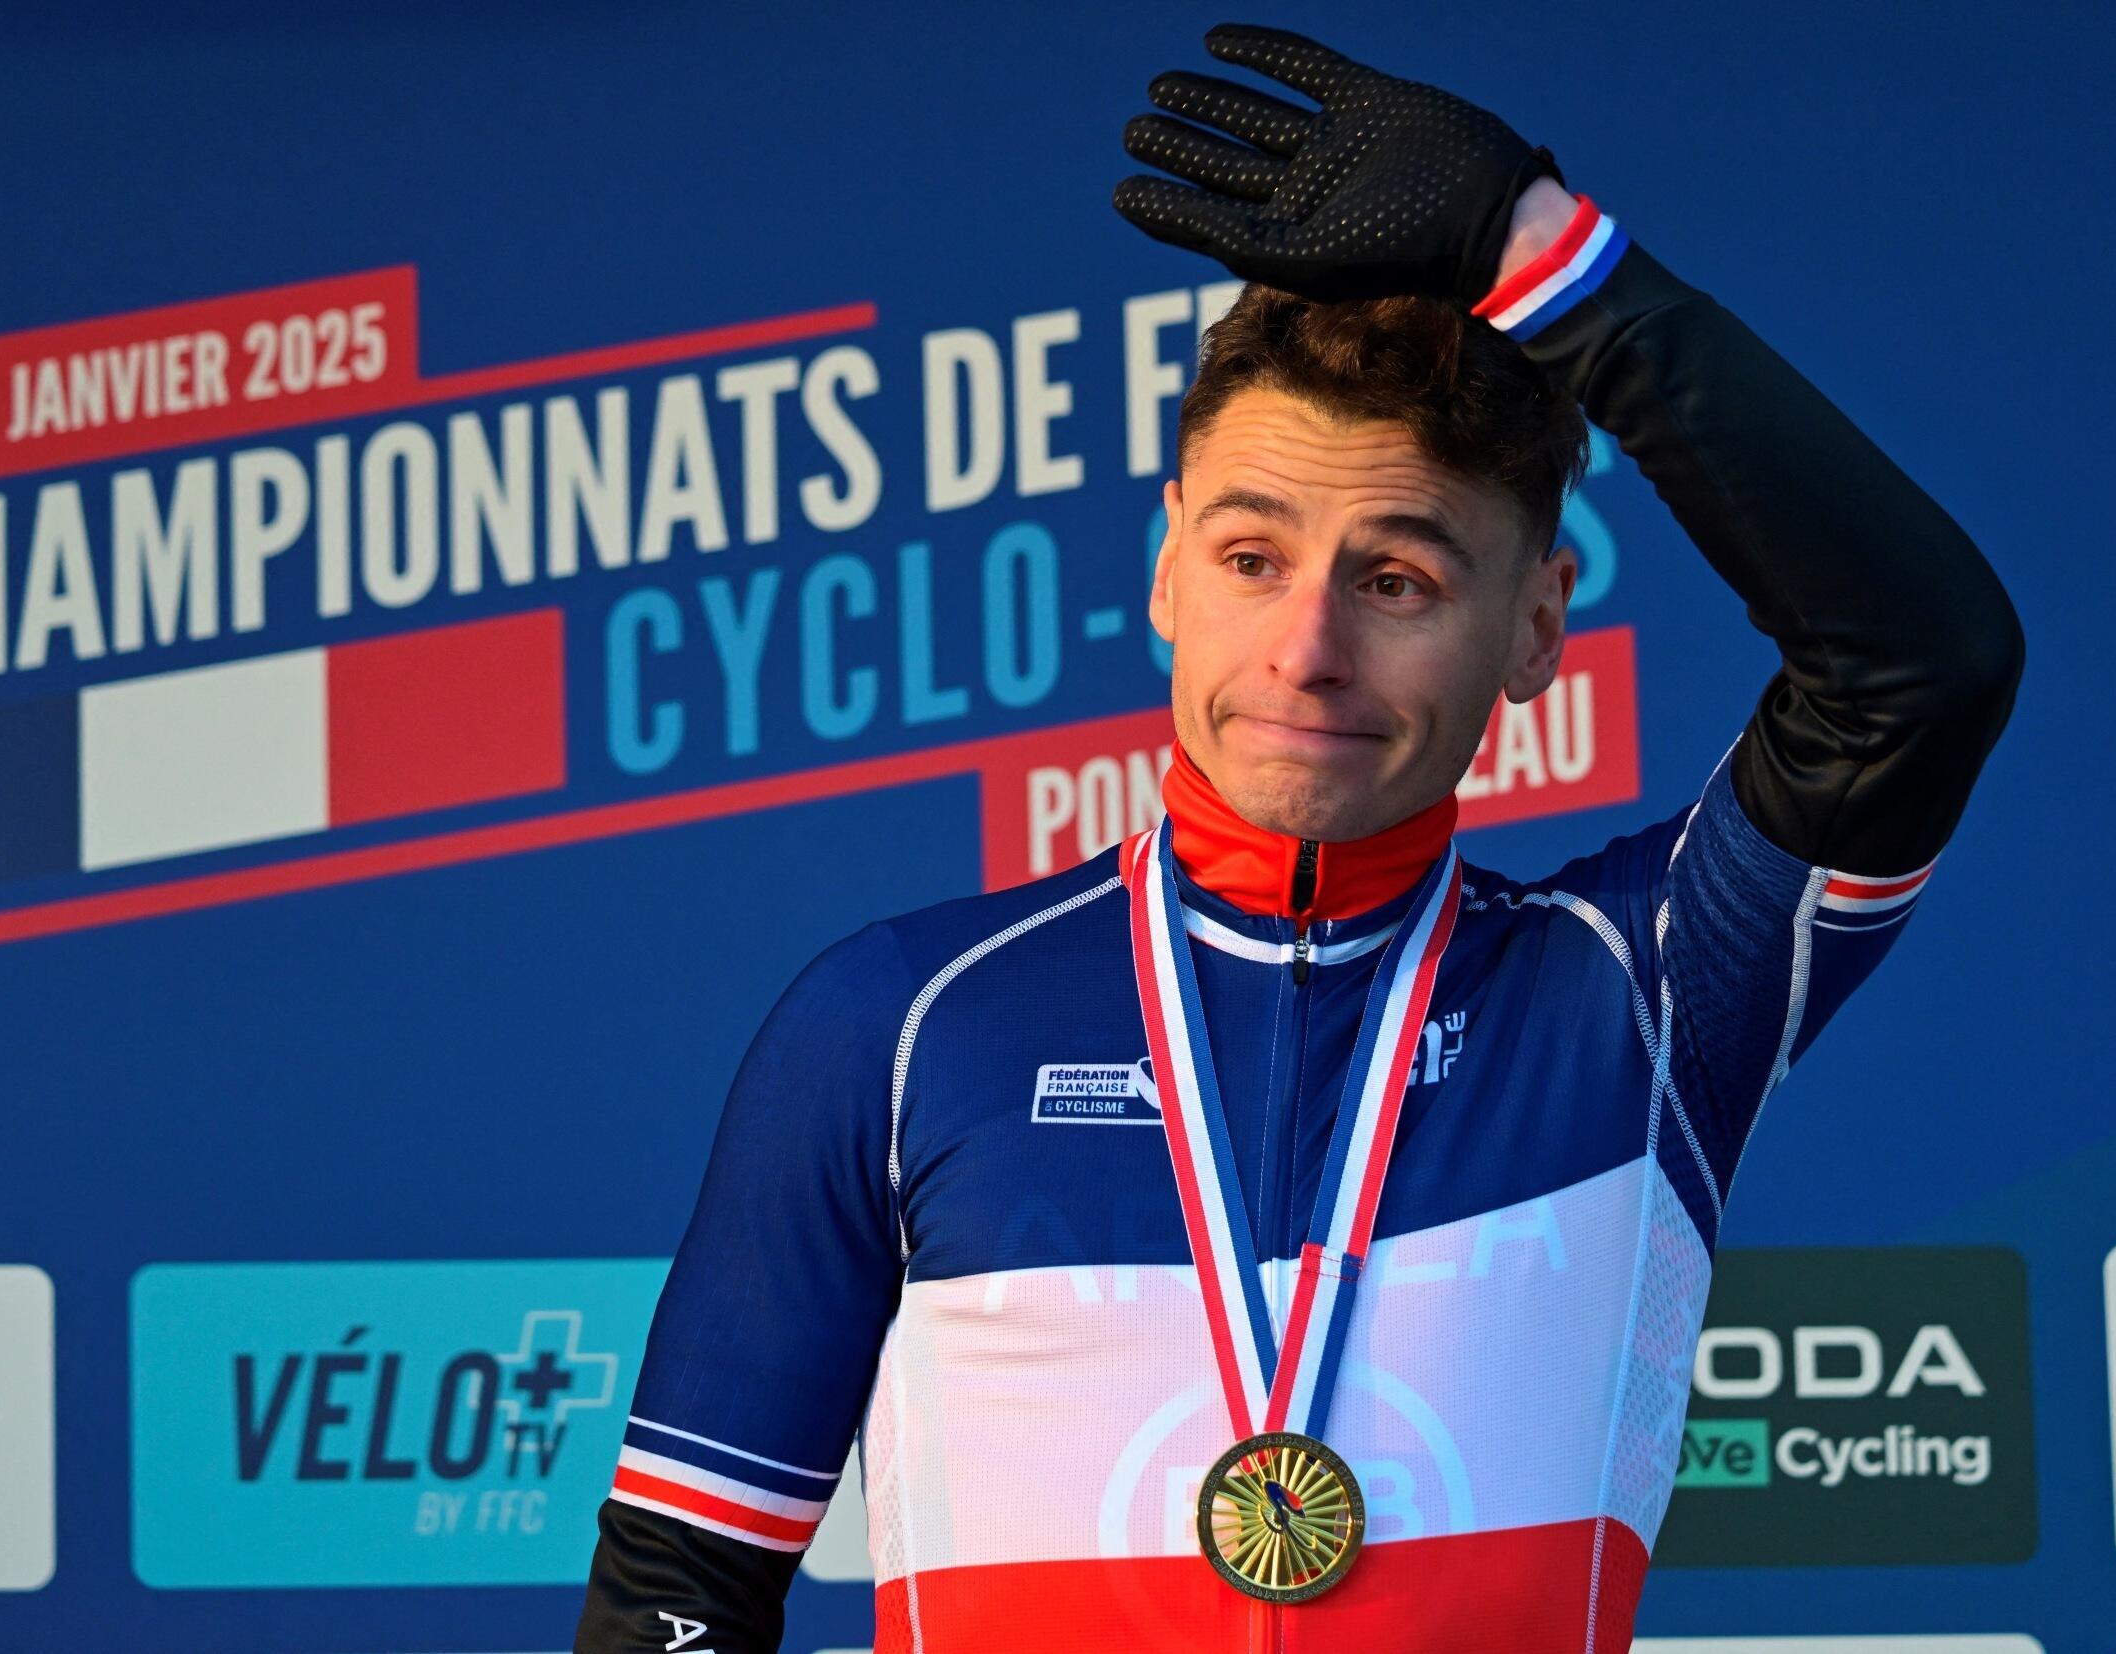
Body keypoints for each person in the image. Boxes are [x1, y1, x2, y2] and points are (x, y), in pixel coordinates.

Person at [573, 22, 2023, 1652]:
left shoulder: (1651, 988)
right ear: (1167, 572)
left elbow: (1925, 662)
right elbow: (675, 1598)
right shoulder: (894, 1027)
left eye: (1396, 577)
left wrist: (1548, 262)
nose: (1309, 646)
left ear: (1539, 623)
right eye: (1255, 556)